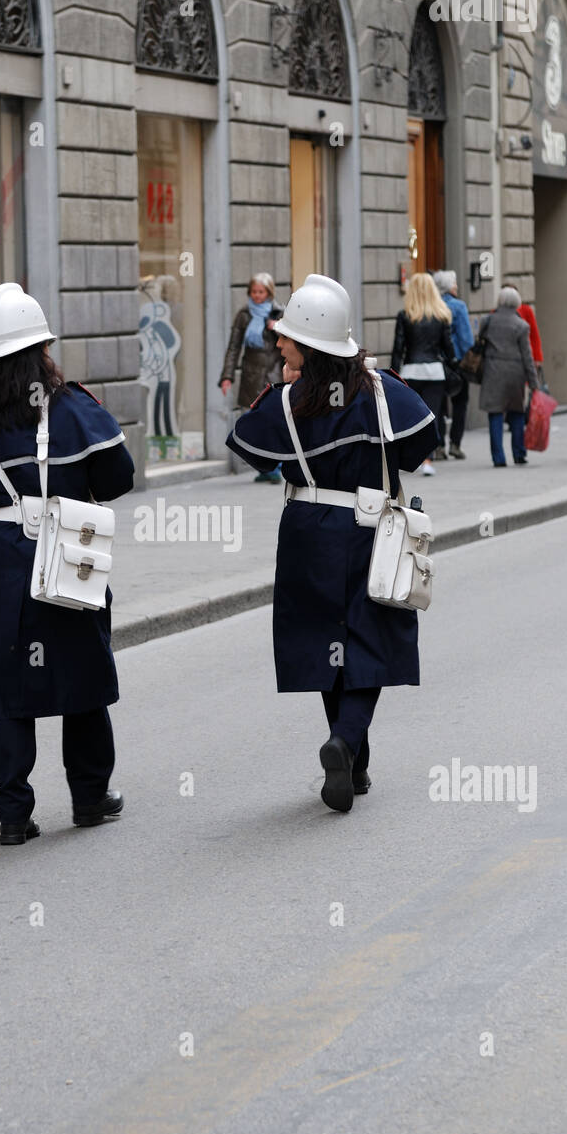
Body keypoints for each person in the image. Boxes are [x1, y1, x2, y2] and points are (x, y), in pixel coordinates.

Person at [0, 283, 135, 845]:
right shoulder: (72, 406)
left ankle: (14, 815)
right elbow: (118, 477)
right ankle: (90, 798)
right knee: (83, 672)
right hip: (66, 548)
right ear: (42, 348)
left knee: (6, 682)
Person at [227, 274, 437, 814]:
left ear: (310, 344)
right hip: (372, 530)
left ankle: (354, 763)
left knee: (328, 642)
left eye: (287, 337)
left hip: (306, 531)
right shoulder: (381, 391)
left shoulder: (284, 402)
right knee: (371, 640)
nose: (278, 343)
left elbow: (248, 449)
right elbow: (422, 444)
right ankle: (345, 746)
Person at [220, 272, 284, 482]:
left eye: (261, 292)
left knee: (275, 419)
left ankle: (276, 465)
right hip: (251, 376)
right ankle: (265, 468)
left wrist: (277, 328)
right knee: (255, 420)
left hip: (275, 373)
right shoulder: (244, 315)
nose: (257, 295)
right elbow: (233, 347)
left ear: (269, 292)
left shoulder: (279, 312)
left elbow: (292, 342)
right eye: (254, 292)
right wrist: (227, 376)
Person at [391, 272, 456, 476]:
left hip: (410, 371)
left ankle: (408, 457)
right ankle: (428, 459)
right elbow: (449, 350)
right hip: (434, 372)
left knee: (410, 416)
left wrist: (394, 374)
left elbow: (398, 348)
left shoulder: (405, 315)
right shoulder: (441, 316)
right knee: (432, 416)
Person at [477, 285, 539, 467]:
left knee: (495, 413)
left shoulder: (488, 321)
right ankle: (519, 453)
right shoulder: (521, 325)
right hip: (515, 373)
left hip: (493, 370)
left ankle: (498, 458)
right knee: (517, 413)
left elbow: (479, 340)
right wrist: (534, 383)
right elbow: (527, 356)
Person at [432, 269, 474, 459]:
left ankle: (439, 445)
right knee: (460, 402)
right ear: (449, 286)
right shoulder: (458, 306)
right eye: (455, 283)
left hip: (436, 362)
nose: (457, 287)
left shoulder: (432, 305)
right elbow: (466, 339)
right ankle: (455, 444)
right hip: (456, 363)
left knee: (439, 405)